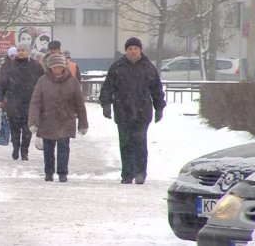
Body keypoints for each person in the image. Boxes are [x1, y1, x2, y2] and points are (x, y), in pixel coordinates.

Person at [99, 37, 166, 185]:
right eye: (130, 48)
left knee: (140, 143)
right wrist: (106, 104)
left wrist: (159, 107)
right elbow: (108, 87)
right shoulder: (117, 67)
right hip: (123, 110)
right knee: (125, 144)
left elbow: (157, 89)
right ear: (126, 50)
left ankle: (140, 173)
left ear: (140, 50)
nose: (133, 51)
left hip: (143, 112)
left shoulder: (148, 68)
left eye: (136, 48)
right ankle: (127, 174)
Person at [28, 53, 88, 182]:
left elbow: (79, 103)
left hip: (66, 119)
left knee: (63, 148)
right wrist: (33, 121)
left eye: (59, 66)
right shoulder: (42, 81)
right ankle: (49, 172)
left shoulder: (72, 81)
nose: (57, 69)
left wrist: (83, 123)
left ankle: (62, 173)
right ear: (50, 67)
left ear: (64, 67)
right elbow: (35, 102)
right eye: (54, 67)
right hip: (47, 119)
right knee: (48, 148)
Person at [0, 43, 44, 161]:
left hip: (30, 102)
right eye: (19, 50)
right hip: (13, 101)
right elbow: (2, 83)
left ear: (28, 52)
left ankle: (25, 150)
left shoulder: (35, 66)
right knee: (14, 127)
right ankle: (16, 147)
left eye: (23, 50)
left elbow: (42, 82)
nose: (21, 52)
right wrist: (0, 98)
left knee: (28, 128)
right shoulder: (10, 66)